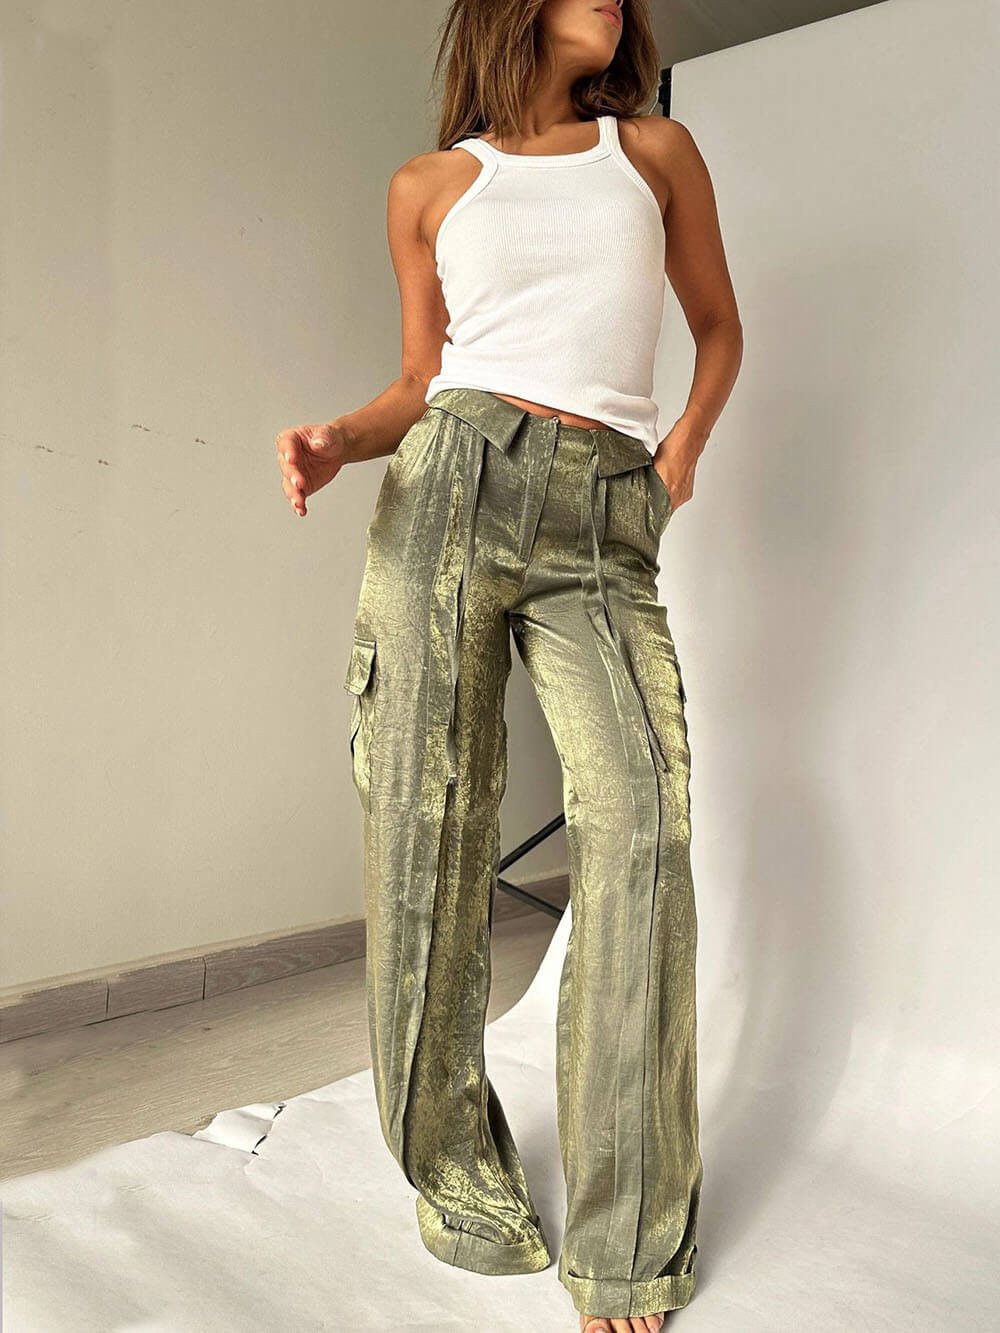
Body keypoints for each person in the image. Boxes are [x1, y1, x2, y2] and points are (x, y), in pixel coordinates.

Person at [275, 1, 742, 1328]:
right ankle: (460, 1180)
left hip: (602, 515)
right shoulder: (431, 184)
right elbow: (418, 380)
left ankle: (627, 1239)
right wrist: (337, 439)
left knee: (642, 822)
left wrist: (676, 461)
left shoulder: (653, 153)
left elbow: (718, 327)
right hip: (447, 492)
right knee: (423, 833)